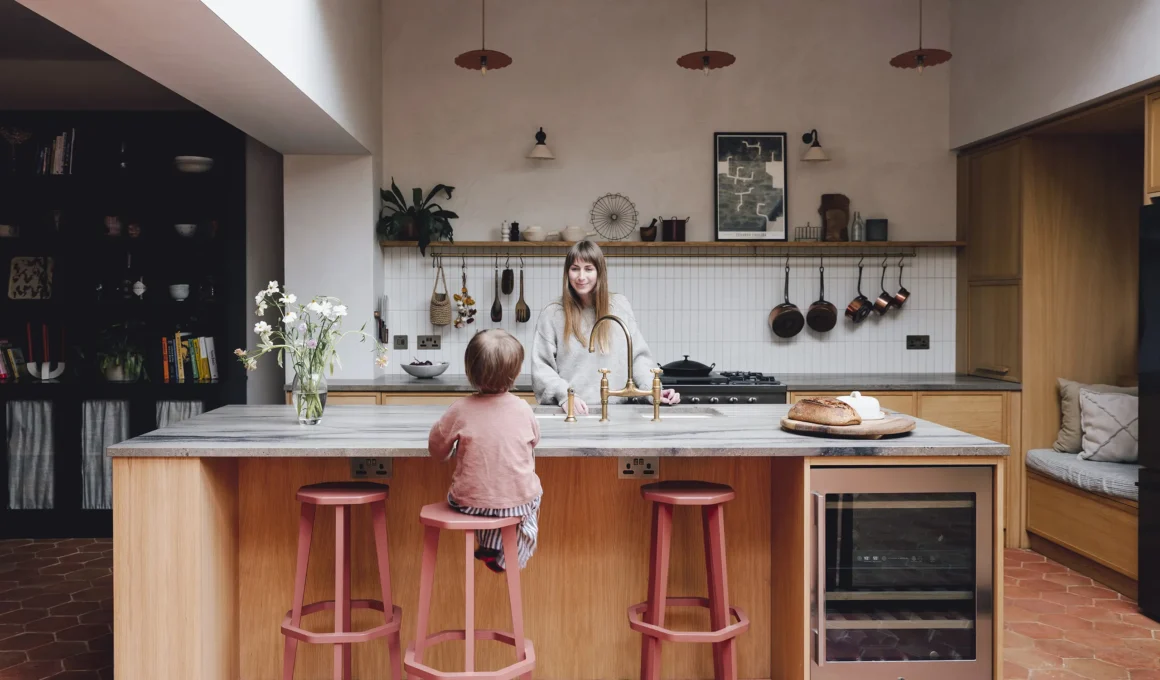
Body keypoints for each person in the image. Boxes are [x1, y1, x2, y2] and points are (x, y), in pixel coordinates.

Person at [427, 329, 542, 572]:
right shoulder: (524, 409)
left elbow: (437, 451)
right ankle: (505, 554)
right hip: (517, 504)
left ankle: (490, 544)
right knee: (533, 498)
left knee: (481, 501)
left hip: (468, 504)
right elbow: (535, 442)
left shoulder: (459, 410)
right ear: (517, 372)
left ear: (470, 371)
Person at [533, 240, 680, 414]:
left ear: (599, 272)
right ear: (567, 273)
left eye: (588, 269)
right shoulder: (553, 313)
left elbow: (638, 358)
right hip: (572, 412)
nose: (581, 276)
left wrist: (652, 391)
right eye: (575, 269)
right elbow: (542, 368)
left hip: (619, 414)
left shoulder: (619, 306)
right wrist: (565, 395)